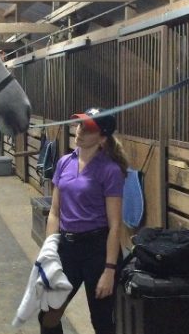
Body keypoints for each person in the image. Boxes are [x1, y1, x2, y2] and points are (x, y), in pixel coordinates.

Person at [39, 107, 128, 334]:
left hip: (97, 251)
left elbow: (115, 224)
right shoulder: (64, 163)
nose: (79, 131)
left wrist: (109, 270)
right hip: (67, 248)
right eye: (79, 125)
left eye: (88, 129)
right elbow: (55, 212)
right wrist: (49, 253)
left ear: (102, 137)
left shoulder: (110, 170)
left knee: (101, 320)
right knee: (48, 313)